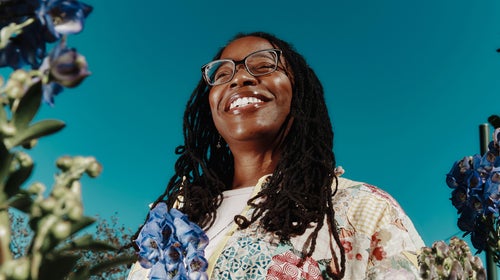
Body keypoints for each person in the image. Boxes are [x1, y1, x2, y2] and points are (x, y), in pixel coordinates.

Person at [127, 32, 425, 279]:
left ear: (300, 96)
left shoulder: (364, 209)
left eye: (263, 65)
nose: (239, 78)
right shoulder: (174, 220)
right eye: (222, 73)